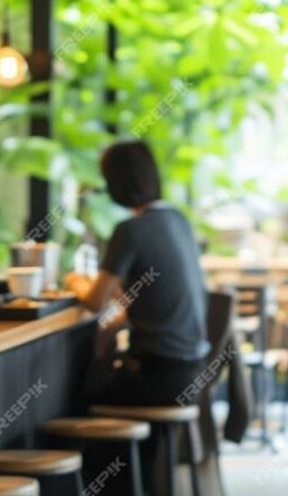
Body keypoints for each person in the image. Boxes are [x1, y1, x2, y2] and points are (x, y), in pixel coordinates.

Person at [70, 140, 209, 406]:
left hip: (158, 379)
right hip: (193, 375)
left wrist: (75, 282)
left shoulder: (131, 230)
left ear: (117, 183)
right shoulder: (179, 220)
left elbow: (95, 301)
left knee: (79, 401)